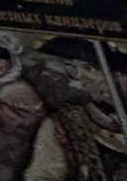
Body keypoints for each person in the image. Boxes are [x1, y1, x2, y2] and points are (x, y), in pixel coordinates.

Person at [22, 38, 127, 181]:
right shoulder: (63, 125)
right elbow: (43, 176)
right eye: (86, 69)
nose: (93, 77)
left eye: (122, 74)